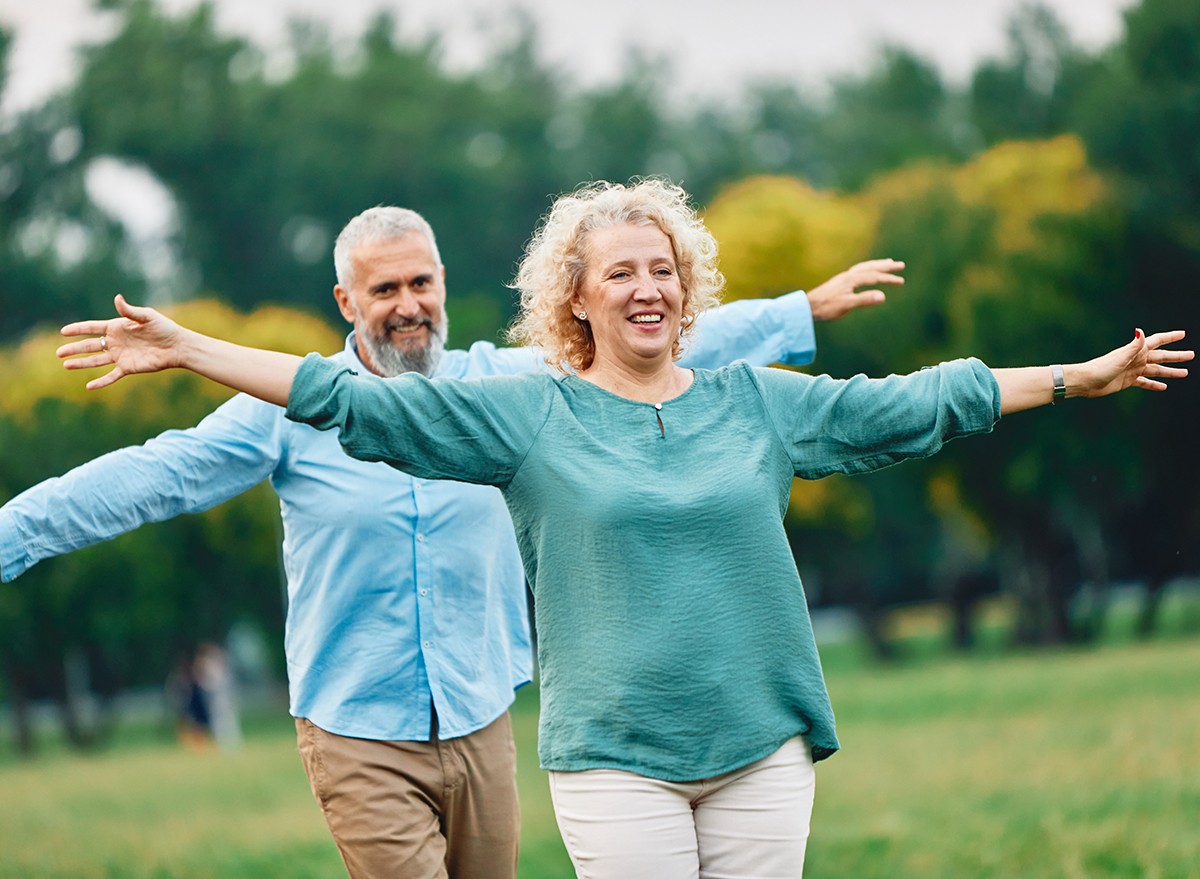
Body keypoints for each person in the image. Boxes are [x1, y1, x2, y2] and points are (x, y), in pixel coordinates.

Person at [56, 178, 1191, 878]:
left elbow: (912, 403)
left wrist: (1075, 378)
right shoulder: (518, 413)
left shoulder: (752, 402)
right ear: (577, 298)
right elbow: (335, 400)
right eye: (621, 273)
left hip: (737, 740)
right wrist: (194, 346)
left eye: (664, 271)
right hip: (575, 752)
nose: (646, 288)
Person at [1, 203, 899, 879]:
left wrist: (797, 313)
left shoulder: (509, 389)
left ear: (443, 284)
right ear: (346, 299)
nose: (407, 306)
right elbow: (147, 477)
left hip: (480, 713)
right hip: (358, 726)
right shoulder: (282, 407)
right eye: (383, 289)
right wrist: (11, 535)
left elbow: (639, 346)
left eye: (420, 283)